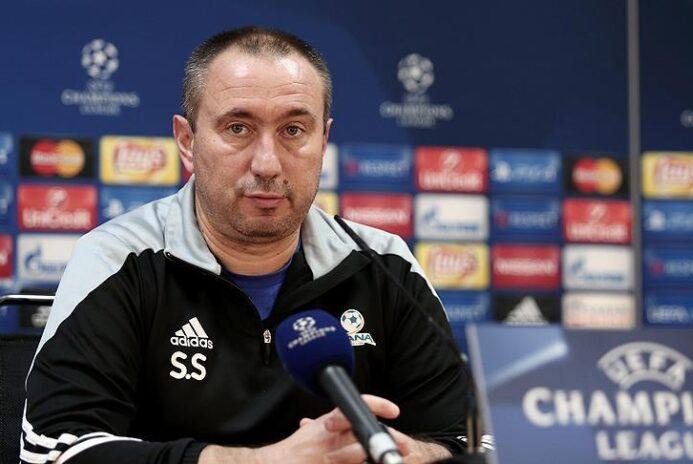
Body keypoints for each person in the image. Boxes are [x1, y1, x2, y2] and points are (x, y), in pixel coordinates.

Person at [21, 26, 468, 464]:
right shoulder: (118, 259)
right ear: (187, 141)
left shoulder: (385, 264)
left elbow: (462, 440)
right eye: (238, 128)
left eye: (294, 130)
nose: (268, 164)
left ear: (323, 141)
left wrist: (405, 455)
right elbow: (52, 449)